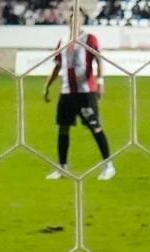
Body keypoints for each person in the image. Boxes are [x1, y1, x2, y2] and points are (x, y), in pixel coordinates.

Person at [43, 11, 115, 180]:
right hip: (67, 93)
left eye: (77, 16)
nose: (74, 19)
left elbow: (99, 59)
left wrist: (100, 81)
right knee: (63, 128)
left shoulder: (89, 39)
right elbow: (58, 66)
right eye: (71, 16)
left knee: (94, 126)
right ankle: (63, 167)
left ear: (82, 20)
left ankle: (109, 166)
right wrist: (47, 86)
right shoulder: (63, 41)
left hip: (85, 92)